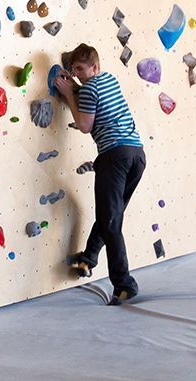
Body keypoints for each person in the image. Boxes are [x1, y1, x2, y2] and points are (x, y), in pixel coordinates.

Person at [53, 44, 146, 305]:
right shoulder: (109, 80)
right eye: (75, 70)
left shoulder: (89, 88)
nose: (79, 74)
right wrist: (75, 88)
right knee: (111, 215)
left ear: (95, 66)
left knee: (111, 220)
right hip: (136, 154)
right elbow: (92, 98)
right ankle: (88, 259)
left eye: (81, 69)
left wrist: (69, 93)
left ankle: (124, 284)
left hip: (113, 156)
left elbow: (84, 125)